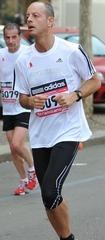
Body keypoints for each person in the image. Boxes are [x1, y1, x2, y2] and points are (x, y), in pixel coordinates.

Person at [14, 2, 101, 240]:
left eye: (36, 15)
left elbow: (95, 81)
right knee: (46, 197)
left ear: (50, 21)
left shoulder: (71, 51)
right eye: (28, 16)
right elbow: (22, 98)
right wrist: (32, 102)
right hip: (41, 135)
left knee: (51, 191)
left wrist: (75, 95)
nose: (29, 20)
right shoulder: (23, 59)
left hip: (68, 131)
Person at [0, 23, 38, 196]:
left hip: (23, 105)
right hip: (7, 108)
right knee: (13, 148)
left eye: (14, 37)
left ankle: (33, 171)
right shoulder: (1, 55)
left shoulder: (27, 53)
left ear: (20, 36)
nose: (10, 41)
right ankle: (23, 181)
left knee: (17, 143)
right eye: (7, 37)